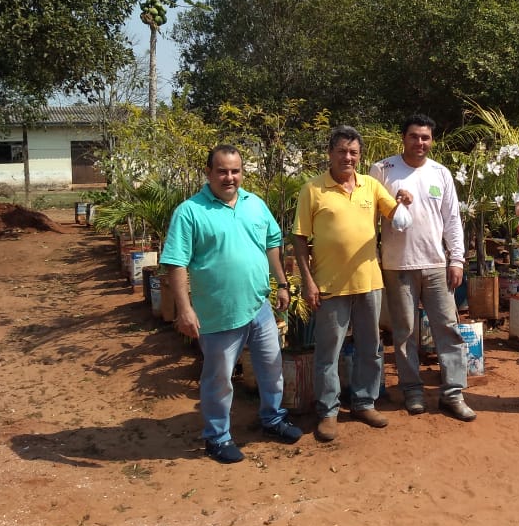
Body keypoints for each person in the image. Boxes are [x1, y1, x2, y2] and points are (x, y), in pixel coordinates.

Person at [160, 145, 302, 464]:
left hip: (258, 307)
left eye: (235, 171)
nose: (229, 177)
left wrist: (281, 283)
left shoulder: (255, 204)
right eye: (222, 171)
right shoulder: (190, 211)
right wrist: (184, 308)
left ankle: (273, 419)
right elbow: (175, 263)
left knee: (271, 369)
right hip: (218, 314)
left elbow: (272, 244)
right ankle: (217, 437)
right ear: (208, 172)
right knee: (220, 379)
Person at [292, 125, 413, 443]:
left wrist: (404, 200)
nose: (348, 157)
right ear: (330, 153)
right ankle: (328, 412)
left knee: (370, 348)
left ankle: (364, 402)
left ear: (360, 156)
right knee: (327, 352)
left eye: (353, 152)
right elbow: (300, 238)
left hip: (368, 282)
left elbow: (394, 214)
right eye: (342, 151)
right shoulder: (313, 189)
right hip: (329, 285)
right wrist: (308, 280)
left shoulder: (370, 186)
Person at [369, 114, 476, 422]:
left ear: (432, 140)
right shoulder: (382, 170)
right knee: (404, 332)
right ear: (403, 137)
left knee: (447, 327)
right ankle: (412, 390)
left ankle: (453, 393)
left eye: (426, 137)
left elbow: (452, 219)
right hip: (396, 264)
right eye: (414, 136)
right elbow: (370, 216)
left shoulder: (440, 173)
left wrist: (457, 259)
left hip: (435, 264)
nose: (420, 142)